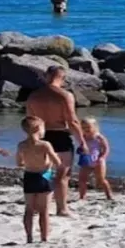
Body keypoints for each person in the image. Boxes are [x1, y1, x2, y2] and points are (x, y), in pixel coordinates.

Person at [25, 65, 86, 217]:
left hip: (40, 135)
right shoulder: (64, 95)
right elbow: (72, 121)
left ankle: (35, 207)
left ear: (46, 76)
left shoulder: (33, 96)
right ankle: (62, 209)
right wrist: (82, 142)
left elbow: (30, 121)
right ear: (63, 78)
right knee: (62, 176)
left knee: (41, 173)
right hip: (60, 136)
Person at [16, 116, 63, 242]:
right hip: (43, 176)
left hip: (29, 176)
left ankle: (29, 237)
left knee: (29, 209)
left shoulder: (21, 145)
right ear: (38, 128)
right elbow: (57, 162)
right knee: (44, 210)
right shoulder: (45, 145)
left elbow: (19, 162)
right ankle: (44, 237)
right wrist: (51, 162)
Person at [75, 117, 114, 203]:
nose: (86, 129)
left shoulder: (99, 137)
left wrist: (102, 157)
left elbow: (106, 148)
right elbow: (80, 147)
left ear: (94, 127)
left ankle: (109, 195)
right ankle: (82, 196)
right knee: (82, 179)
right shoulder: (83, 137)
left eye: (88, 127)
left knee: (101, 180)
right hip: (86, 160)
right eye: (84, 128)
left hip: (98, 161)